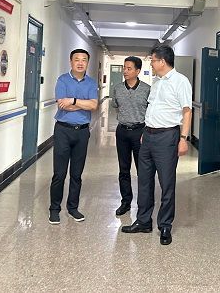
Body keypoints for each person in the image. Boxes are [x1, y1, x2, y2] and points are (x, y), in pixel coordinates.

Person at [122, 45, 192, 245]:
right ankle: (143, 221)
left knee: (167, 183)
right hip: (148, 136)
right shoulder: (156, 81)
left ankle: (165, 225)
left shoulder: (180, 81)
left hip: (167, 137)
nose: (151, 64)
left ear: (162, 61)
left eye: (152, 60)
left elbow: (187, 111)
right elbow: (152, 108)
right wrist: (145, 131)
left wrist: (183, 138)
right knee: (144, 181)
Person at [49, 49, 99, 225]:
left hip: (82, 132)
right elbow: (62, 105)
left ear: (87, 63)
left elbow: (94, 105)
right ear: (71, 62)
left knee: (76, 174)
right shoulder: (62, 80)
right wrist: (83, 104)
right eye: (77, 59)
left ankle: (73, 208)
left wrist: (73, 100)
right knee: (59, 173)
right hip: (63, 130)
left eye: (84, 60)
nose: (80, 63)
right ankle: (54, 209)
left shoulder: (91, 83)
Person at [111, 56, 151, 216]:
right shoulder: (117, 88)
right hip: (122, 132)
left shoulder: (147, 89)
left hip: (140, 132)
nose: (125, 71)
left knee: (143, 170)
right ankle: (125, 202)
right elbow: (116, 105)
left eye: (129, 68)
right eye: (124, 68)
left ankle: (144, 204)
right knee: (123, 169)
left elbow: (151, 112)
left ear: (138, 71)